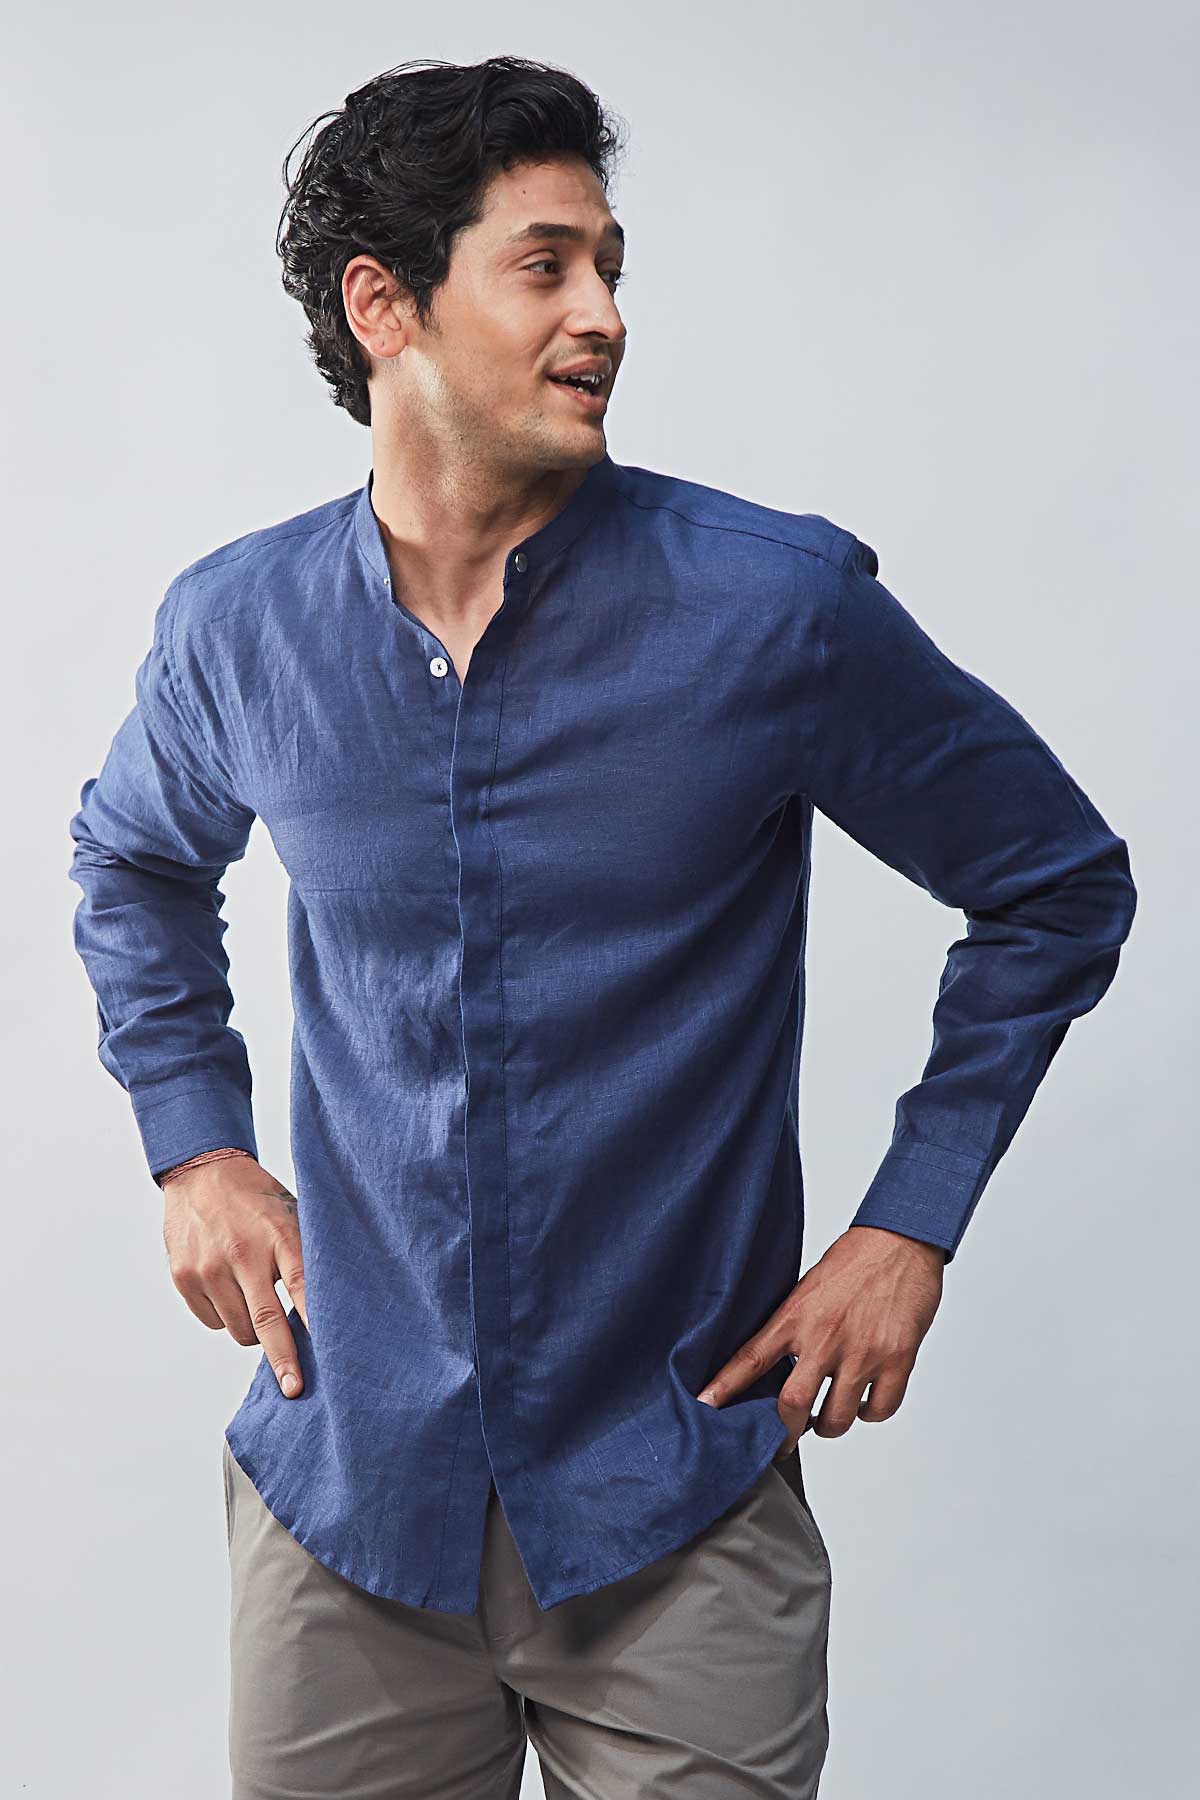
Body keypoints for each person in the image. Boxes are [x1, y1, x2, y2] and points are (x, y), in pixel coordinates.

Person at [67, 54, 1137, 1800]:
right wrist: (195, 1147)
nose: (606, 318)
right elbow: (130, 860)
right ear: (384, 307)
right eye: (547, 266)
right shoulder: (238, 632)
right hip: (349, 1507)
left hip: (675, 1502)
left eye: (613, 269)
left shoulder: (774, 611)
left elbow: (1054, 881)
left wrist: (910, 1224)